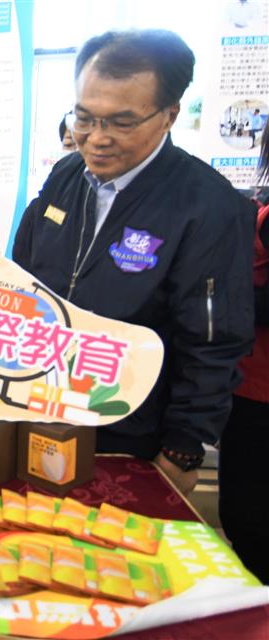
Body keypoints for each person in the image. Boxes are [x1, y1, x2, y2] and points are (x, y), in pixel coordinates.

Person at [12, 30, 255, 495]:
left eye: (121, 123)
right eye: (84, 118)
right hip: (40, 419)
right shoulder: (66, 177)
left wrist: (182, 449)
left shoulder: (207, 206)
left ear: (169, 115)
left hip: (132, 440)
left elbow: (213, 344)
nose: (96, 139)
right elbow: (24, 279)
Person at [219, 131, 269, 584]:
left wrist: (223, 297)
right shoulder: (258, 212)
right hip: (250, 389)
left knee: (249, 518)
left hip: (258, 394)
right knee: (244, 515)